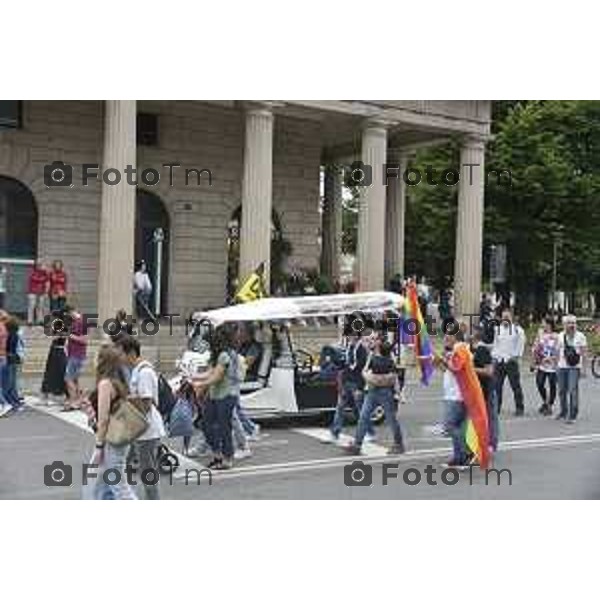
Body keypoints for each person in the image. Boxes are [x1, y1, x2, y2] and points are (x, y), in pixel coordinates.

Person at [114, 334, 165, 499]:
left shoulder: (144, 372)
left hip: (147, 430)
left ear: (131, 353)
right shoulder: (136, 370)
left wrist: (125, 402)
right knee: (131, 467)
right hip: (140, 429)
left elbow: (146, 403)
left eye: (121, 354)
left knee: (147, 472)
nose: (119, 358)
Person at [86, 346, 137, 500]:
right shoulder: (117, 381)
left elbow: (104, 419)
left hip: (111, 439)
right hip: (120, 437)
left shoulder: (105, 384)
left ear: (103, 361)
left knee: (118, 485)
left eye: (96, 357)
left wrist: (99, 446)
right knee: (106, 486)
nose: (93, 360)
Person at [345, 334, 405, 455]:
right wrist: (371, 378)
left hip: (385, 392)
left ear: (379, 342)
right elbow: (364, 371)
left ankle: (399, 444)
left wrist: (399, 393)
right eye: (370, 339)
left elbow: (394, 376)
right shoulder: (371, 355)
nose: (371, 341)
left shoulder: (389, 355)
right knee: (363, 417)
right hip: (372, 391)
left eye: (373, 339)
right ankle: (357, 445)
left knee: (391, 419)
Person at [193, 324, 240, 470]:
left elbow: (217, 377)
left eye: (207, 343)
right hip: (215, 395)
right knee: (205, 424)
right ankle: (217, 455)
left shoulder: (224, 355)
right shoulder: (215, 356)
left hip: (226, 396)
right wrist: (193, 377)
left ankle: (227, 458)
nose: (205, 346)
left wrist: (200, 384)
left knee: (224, 427)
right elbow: (210, 373)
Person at [325, 330, 375, 443]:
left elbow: (360, 368)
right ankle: (335, 433)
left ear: (355, 336)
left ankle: (370, 432)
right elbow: (346, 364)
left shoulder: (361, 349)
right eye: (347, 335)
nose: (348, 337)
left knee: (361, 410)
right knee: (340, 408)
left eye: (349, 335)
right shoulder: (350, 347)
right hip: (347, 382)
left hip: (356, 383)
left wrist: (360, 387)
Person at [436, 333, 469, 468]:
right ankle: (459, 458)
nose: (445, 340)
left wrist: (443, 360)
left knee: (449, 427)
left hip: (456, 396)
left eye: (448, 338)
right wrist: (438, 362)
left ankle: (463, 453)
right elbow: (447, 370)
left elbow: (456, 369)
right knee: (459, 427)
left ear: (455, 338)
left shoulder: (460, 350)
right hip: (455, 394)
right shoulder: (456, 351)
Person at [491, 309, 526, 416]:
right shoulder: (498, 330)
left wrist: (516, 356)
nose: (505, 319)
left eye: (507, 317)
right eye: (503, 317)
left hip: (511, 362)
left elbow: (521, 344)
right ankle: (496, 407)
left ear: (511, 318)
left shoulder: (517, 330)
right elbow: (495, 344)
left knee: (515, 386)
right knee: (497, 387)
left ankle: (519, 408)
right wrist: (495, 357)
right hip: (500, 362)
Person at [556, 315, 588, 423]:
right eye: (568, 323)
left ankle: (573, 414)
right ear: (564, 325)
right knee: (561, 391)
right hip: (561, 366)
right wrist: (556, 365)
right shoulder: (560, 336)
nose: (571, 325)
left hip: (574, 367)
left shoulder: (580, 336)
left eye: (573, 323)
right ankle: (563, 411)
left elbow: (584, 353)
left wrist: (584, 369)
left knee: (573, 390)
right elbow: (557, 351)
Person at [471, 326, 497, 452]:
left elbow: (489, 371)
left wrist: (471, 370)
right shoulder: (473, 350)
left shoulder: (482, 350)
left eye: (472, 332)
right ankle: (481, 443)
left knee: (490, 418)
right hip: (479, 390)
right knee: (482, 418)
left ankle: (491, 444)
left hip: (487, 390)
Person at [531, 318, 559, 415]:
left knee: (552, 386)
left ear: (549, 324)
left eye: (544, 323)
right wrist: (535, 359)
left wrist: (552, 358)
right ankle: (546, 402)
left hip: (552, 365)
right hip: (542, 364)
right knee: (539, 383)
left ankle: (549, 405)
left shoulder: (556, 336)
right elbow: (535, 348)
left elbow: (558, 350)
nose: (542, 325)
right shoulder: (540, 334)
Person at [63, 305, 88, 411]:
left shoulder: (81, 322)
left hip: (77, 354)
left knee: (68, 378)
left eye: (68, 314)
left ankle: (73, 401)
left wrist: (70, 336)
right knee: (74, 379)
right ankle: (78, 400)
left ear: (71, 312)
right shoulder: (76, 322)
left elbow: (84, 340)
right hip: (74, 353)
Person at [41, 321, 68, 405]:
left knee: (60, 373)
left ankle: (61, 394)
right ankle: (47, 394)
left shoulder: (64, 330)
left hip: (60, 351)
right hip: (55, 351)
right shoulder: (57, 328)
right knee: (51, 372)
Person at [4, 314, 25, 413]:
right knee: (12, 382)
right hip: (15, 359)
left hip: (10, 359)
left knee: (9, 382)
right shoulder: (16, 334)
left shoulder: (11, 335)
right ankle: (15, 402)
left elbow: (9, 348)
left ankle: (12, 402)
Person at [27, 260, 49, 325]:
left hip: (42, 292)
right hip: (32, 292)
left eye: (41, 265)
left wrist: (46, 292)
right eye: (38, 265)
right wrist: (42, 279)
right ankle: (30, 321)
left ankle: (40, 320)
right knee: (32, 306)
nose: (40, 266)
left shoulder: (45, 273)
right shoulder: (32, 272)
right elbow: (36, 279)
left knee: (41, 306)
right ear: (35, 266)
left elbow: (47, 282)